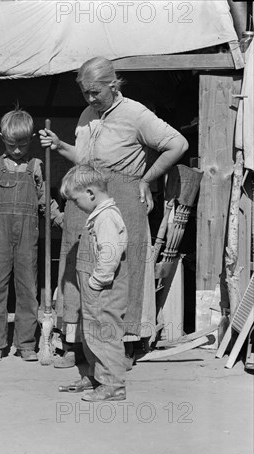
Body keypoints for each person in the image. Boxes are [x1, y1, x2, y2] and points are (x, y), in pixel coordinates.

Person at [40, 57, 188, 368]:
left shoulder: (135, 114)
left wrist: (147, 179)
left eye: (95, 92)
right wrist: (60, 145)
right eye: (85, 93)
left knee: (122, 266)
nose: (90, 99)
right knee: (76, 263)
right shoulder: (87, 114)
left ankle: (124, 344)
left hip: (122, 196)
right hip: (85, 192)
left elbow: (178, 143)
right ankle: (75, 343)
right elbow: (84, 157)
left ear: (113, 84)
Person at [0, 108, 45, 362]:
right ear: (2, 136)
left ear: (32, 138)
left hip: (28, 235)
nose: (17, 150)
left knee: (28, 288)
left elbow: (44, 201)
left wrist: (59, 217)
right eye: (12, 144)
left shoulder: (37, 166)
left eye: (23, 144)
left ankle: (26, 343)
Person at [57, 165, 128, 402]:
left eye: (76, 201)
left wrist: (96, 282)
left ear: (90, 193)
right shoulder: (98, 215)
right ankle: (97, 377)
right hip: (95, 289)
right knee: (92, 334)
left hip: (103, 289)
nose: (76, 206)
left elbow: (109, 255)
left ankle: (114, 385)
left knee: (105, 334)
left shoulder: (107, 217)